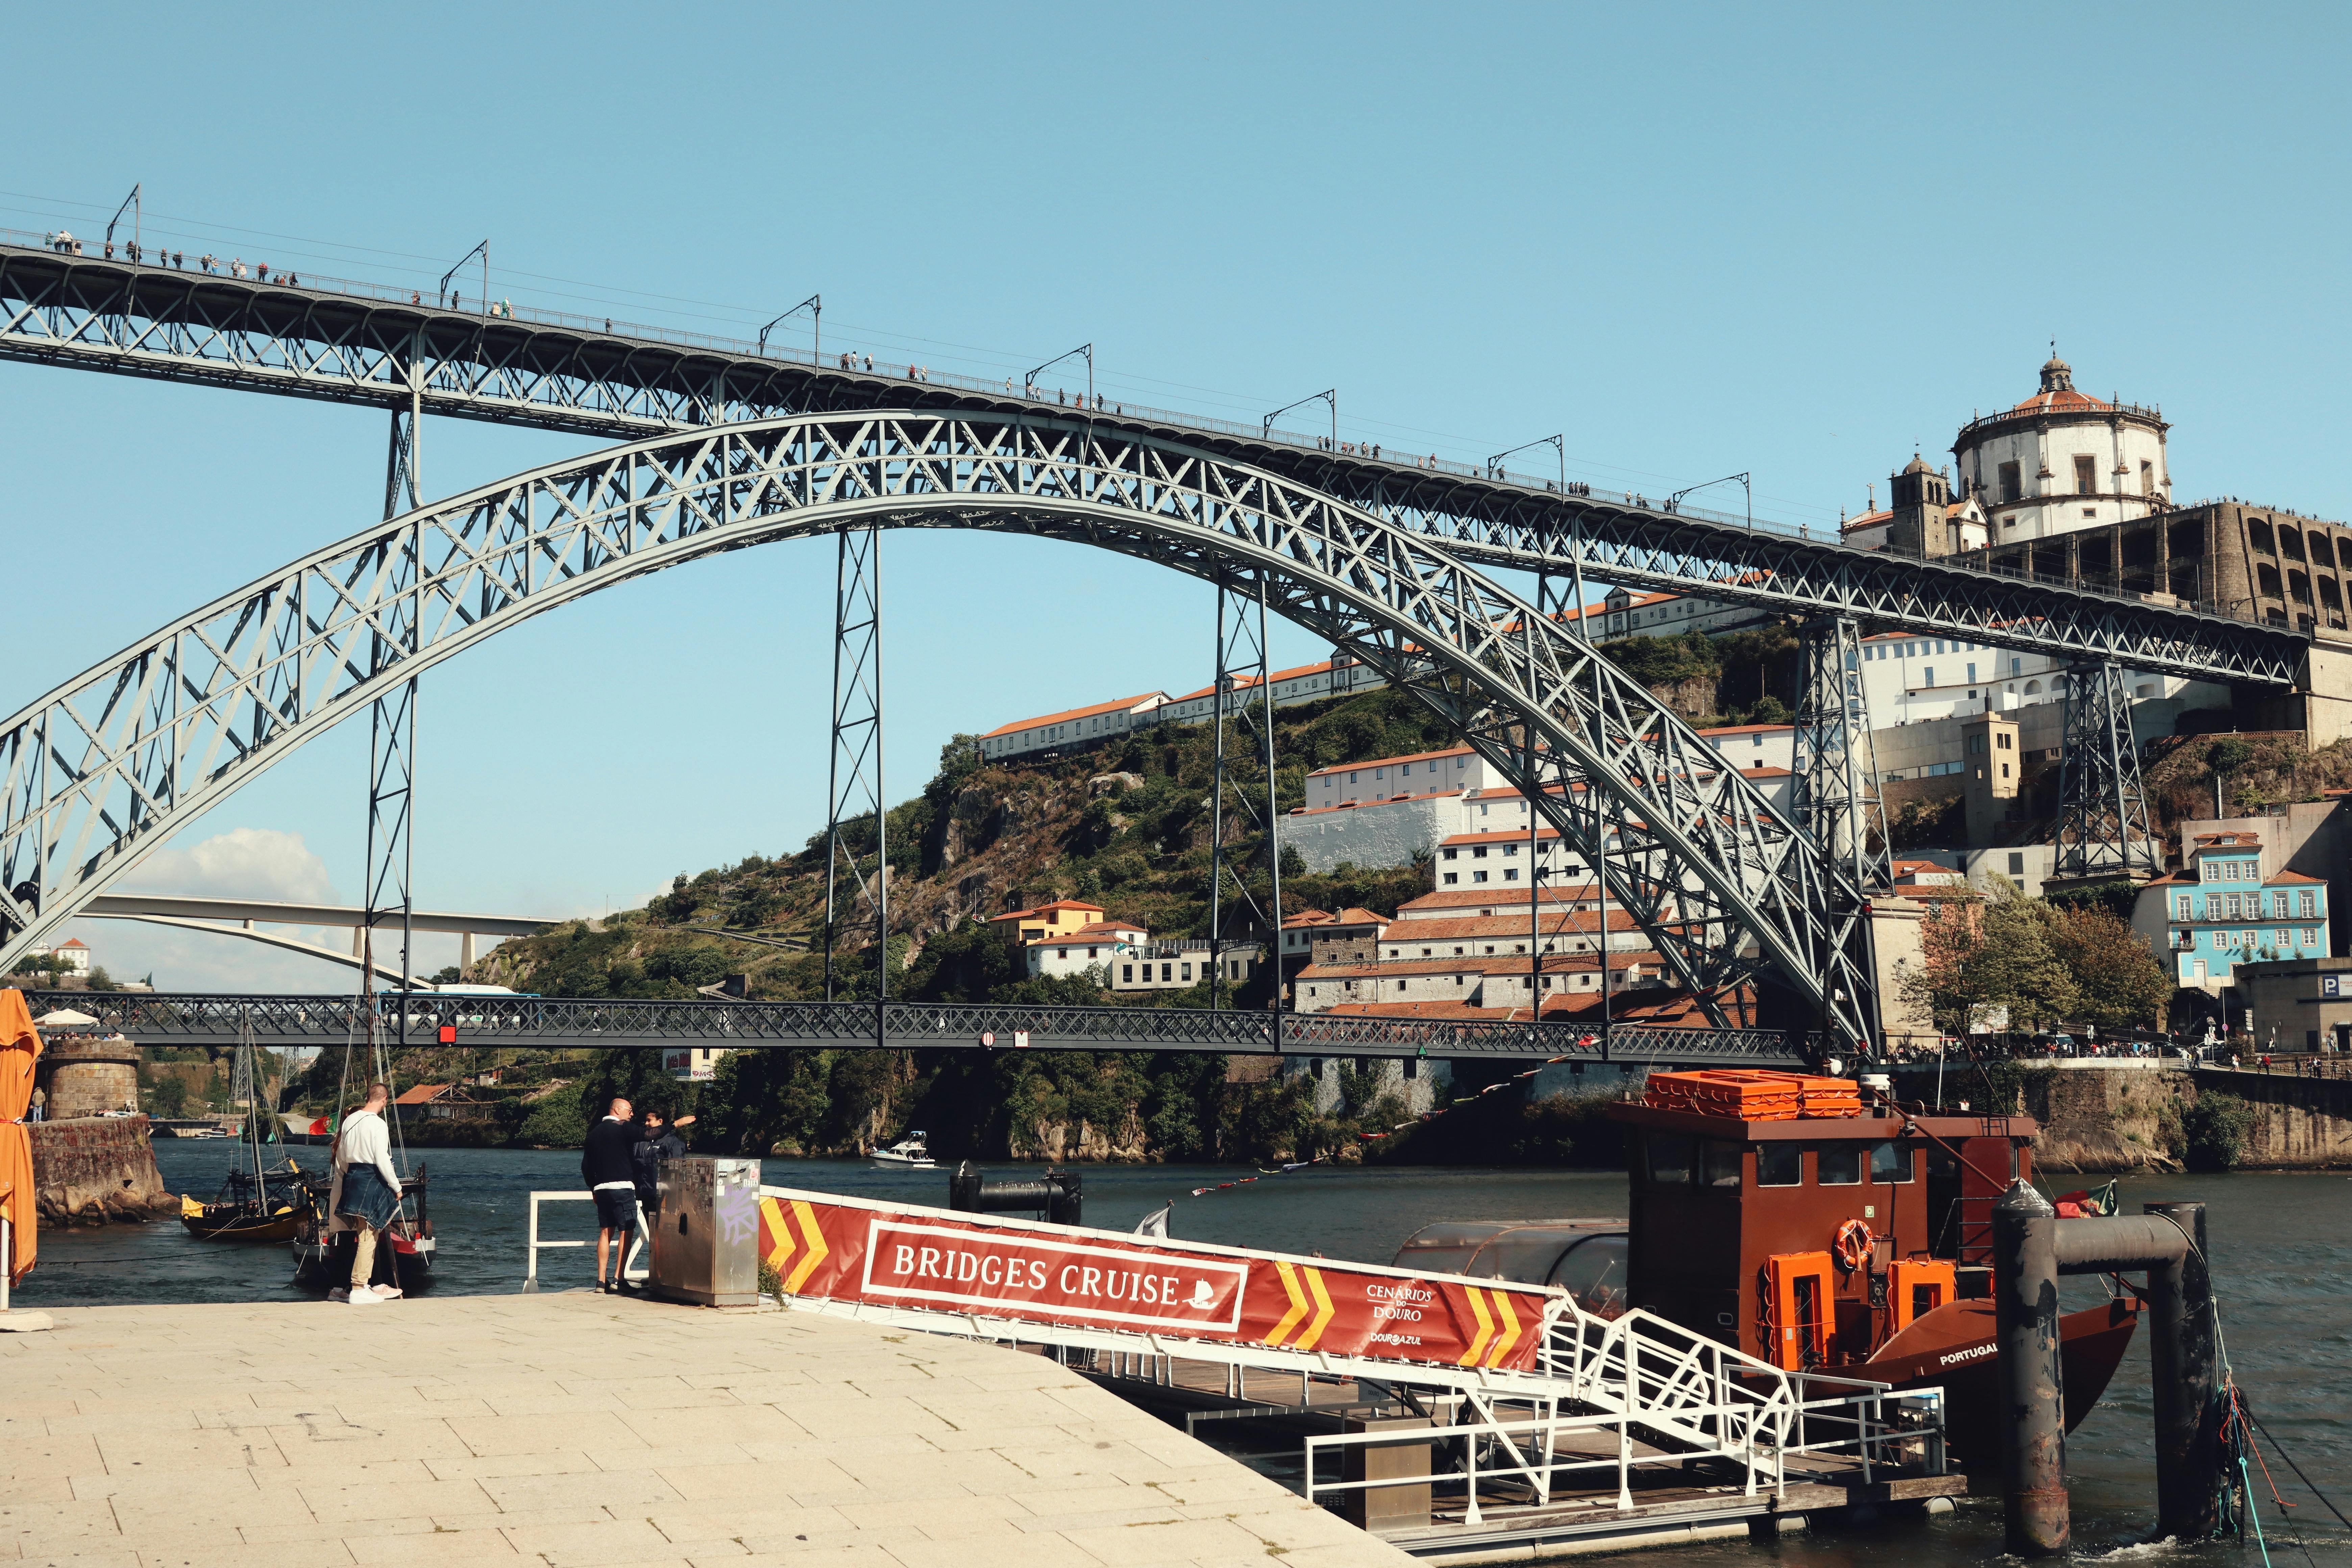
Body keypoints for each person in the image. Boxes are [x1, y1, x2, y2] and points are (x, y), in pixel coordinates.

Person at [327, 1084, 405, 1304]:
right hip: (370, 1177)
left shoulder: (349, 1121)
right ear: (384, 1100)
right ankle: (360, 1288)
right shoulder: (378, 1125)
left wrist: (346, 1175)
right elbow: (382, 1158)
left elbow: (341, 1154)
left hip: (351, 1177)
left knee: (359, 1234)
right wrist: (397, 1187)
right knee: (368, 1235)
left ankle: (363, 1287)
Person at [582, 1097, 640, 1293]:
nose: (632, 1114)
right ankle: (618, 1278)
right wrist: (675, 1124)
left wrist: (593, 1188)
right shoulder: (623, 1129)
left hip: (601, 1189)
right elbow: (649, 1134)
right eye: (630, 1110)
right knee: (627, 1230)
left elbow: (586, 1167)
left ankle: (600, 1281)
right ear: (617, 1110)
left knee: (606, 1232)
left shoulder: (594, 1133)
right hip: (622, 1187)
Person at [631, 1110, 695, 1218]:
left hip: (664, 1198)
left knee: (663, 1231)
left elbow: (677, 1170)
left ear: (660, 1122)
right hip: (645, 1195)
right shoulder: (640, 1143)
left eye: (649, 1120)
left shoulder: (673, 1142)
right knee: (651, 1230)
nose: (646, 1124)